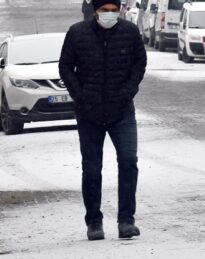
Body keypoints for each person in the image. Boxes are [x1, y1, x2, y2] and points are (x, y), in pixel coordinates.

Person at [59, 0, 147, 241]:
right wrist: (81, 94)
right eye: (104, 10)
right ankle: (94, 222)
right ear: (95, 12)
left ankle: (126, 220)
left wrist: (128, 91)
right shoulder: (78, 33)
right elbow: (65, 66)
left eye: (113, 10)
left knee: (128, 162)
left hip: (122, 111)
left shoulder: (129, 32)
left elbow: (140, 63)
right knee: (92, 168)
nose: (109, 15)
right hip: (89, 113)